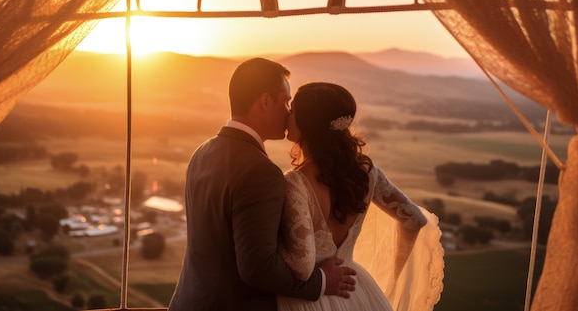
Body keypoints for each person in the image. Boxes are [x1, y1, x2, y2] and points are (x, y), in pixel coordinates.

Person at [168, 59, 357, 311]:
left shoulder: (202, 152)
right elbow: (258, 267)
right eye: (286, 102)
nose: (290, 112)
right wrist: (321, 282)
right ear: (266, 101)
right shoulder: (261, 172)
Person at [277, 82, 444, 311]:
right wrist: (390, 277)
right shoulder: (367, 174)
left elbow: (301, 267)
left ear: (309, 122)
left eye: (293, 108)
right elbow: (414, 218)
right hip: (356, 292)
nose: (287, 114)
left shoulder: (294, 183)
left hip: (309, 299)